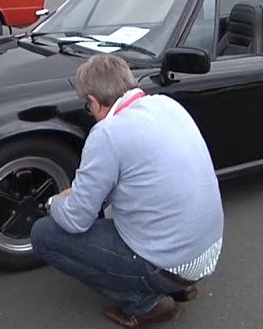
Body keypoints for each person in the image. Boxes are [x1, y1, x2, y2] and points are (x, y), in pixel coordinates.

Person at [31, 54, 224, 328]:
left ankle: (148, 305)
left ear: (94, 102)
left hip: (170, 263)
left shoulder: (107, 133)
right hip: (207, 250)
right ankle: (179, 286)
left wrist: (54, 203)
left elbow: (76, 220)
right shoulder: (167, 104)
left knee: (44, 234)